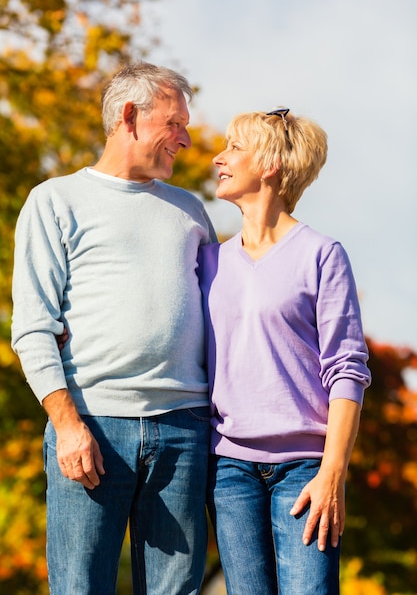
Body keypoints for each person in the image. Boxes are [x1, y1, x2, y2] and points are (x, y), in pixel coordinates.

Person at [11, 62, 217, 595]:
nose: (187, 139)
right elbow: (33, 326)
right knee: (81, 587)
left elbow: (222, 318)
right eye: (174, 124)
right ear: (130, 116)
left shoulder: (190, 211)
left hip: (184, 429)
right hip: (92, 426)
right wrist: (66, 422)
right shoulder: (55, 200)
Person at [197, 107, 371, 595]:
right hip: (228, 470)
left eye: (235, 148)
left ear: (270, 164)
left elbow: (348, 370)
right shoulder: (208, 261)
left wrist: (332, 472)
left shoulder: (321, 254)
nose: (218, 158)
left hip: (305, 470)